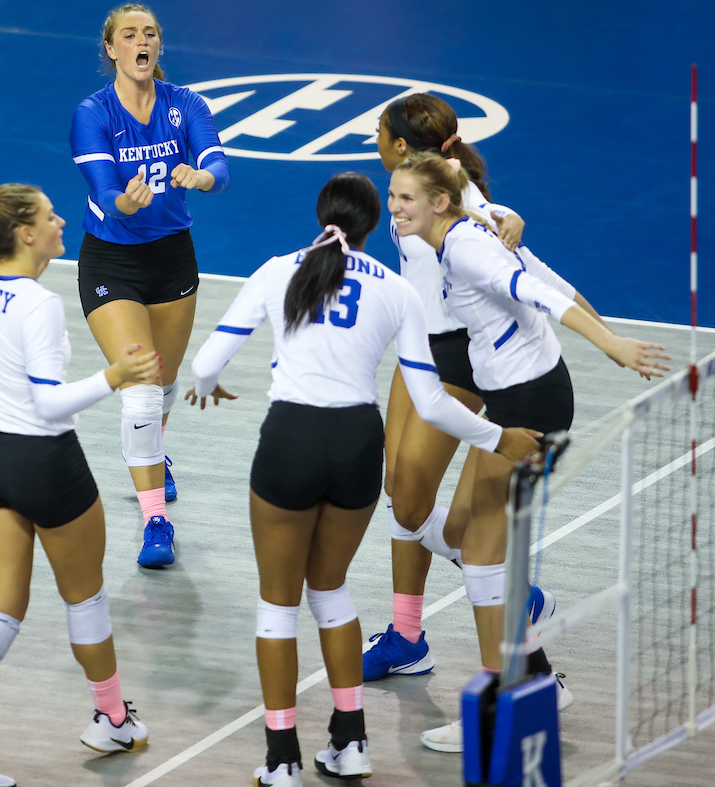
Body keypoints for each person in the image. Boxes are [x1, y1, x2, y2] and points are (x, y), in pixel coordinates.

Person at [186, 172, 541, 786]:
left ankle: (281, 759)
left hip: (290, 442)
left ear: (320, 215)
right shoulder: (398, 290)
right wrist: (496, 436)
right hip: (355, 447)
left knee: (279, 604)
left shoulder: (278, 271)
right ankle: (350, 743)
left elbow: (204, 364)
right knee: (331, 592)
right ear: (373, 226)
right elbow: (429, 401)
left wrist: (208, 383)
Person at [387, 152, 669, 752]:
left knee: (483, 563)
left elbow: (544, 296)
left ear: (439, 201)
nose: (394, 207)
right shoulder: (463, 231)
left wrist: (612, 346)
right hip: (514, 397)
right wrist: (610, 337)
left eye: (405, 197)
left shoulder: (466, 248)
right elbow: (552, 277)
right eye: (391, 195)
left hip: (528, 410)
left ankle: (498, 708)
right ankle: (525, 620)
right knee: (462, 536)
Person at [363, 93, 618, 687]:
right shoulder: (412, 188)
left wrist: (606, 335)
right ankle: (408, 634)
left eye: (379, 130)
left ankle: (501, 595)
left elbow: (524, 266)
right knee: (400, 492)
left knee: (450, 516)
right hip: (415, 344)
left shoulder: (467, 208)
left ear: (402, 146)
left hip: (457, 355)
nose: (373, 137)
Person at [0, 181, 160, 787]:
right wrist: (117, 374)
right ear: (26, 234)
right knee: (85, 597)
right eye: (52, 218)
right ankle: (110, 717)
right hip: (45, 462)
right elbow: (51, 405)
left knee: (0, 607)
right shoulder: (39, 304)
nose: (61, 224)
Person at [69, 1, 232, 568]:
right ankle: (154, 520)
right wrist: (123, 201)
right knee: (138, 386)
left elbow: (219, 165)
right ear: (111, 49)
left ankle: (153, 451)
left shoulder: (186, 105)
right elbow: (103, 186)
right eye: (130, 34)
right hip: (112, 260)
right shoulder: (93, 113)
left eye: (152, 34)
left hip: (172, 259)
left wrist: (203, 176)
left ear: (158, 47)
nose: (143, 41)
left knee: (161, 388)